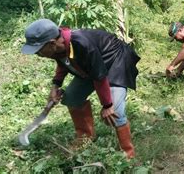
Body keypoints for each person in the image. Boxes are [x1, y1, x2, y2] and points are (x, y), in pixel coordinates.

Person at [21, 19, 140, 159]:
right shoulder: (58, 47)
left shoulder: (81, 44)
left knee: (116, 112)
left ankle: (127, 153)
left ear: (52, 43)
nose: (37, 54)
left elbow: (100, 76)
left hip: (115, 62)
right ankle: (85, 137)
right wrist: (55, 86)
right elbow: (63, 63)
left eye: (38, 50)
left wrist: (107, 105)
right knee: (71, 98)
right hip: (92, 66)